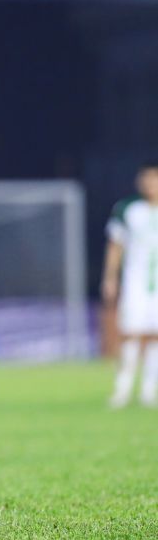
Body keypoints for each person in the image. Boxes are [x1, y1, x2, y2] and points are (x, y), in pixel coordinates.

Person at [102, 162, 158, 409]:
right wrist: (110, 277)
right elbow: (116, 246)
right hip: (135, 282)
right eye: (145, 178)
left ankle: (149, 391)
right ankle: (122, 389)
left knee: (155, 336)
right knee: (130, 334)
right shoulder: (127, 209)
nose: (149, 184)